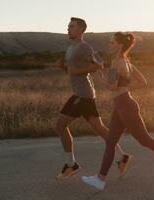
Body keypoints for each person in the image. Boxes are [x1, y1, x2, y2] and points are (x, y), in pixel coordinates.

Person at [81, 32, 154, 190]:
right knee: (110, 142)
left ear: (120, 45)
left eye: (112, 42)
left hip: (126, 107)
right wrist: (125, 88)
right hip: (122, 106)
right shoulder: (126, 61)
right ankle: (100, 179)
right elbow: (143, 82)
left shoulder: (117, 62)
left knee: (144, 140)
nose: (109, 45)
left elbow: (112, 87)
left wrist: (100, 76)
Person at [54, 18, 131, 181]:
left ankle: (71, 164)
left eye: (71, 26)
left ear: (81, 29)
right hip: (83, 94)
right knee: (100, 128)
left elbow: (99, 64)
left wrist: (77, 71)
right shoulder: (70, 49)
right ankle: (121, 156)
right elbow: (71, 70)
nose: (68, 28)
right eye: (68, 26)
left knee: (60, 125)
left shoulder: (85, 47)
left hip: (83, 94)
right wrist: (64, 67)